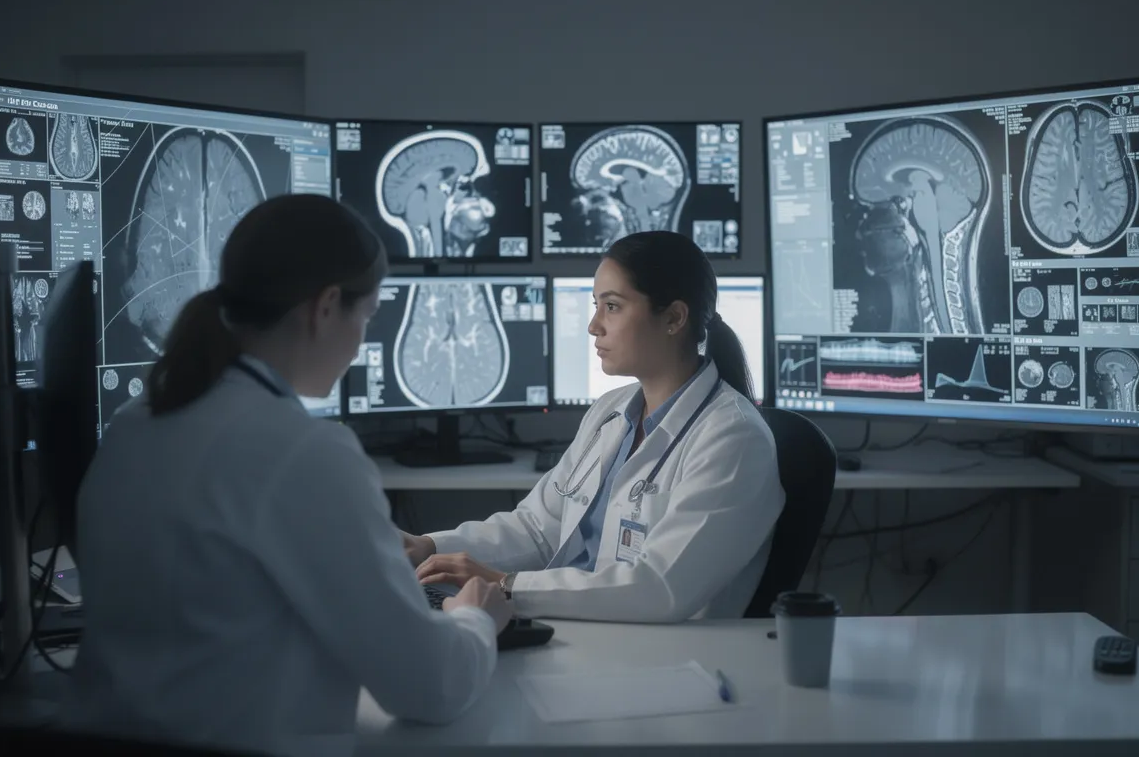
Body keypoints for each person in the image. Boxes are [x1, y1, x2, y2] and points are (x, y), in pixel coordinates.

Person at [64, 195, 512, 754]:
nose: (362, 341)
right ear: (326, 307)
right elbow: (428, 689)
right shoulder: (303, 451)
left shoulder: (139, 420)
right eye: (367, 316)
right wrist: (476, 622)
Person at [403, 231, 785, 623]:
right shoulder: (610, 411)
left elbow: (659, 588)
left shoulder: (733, 438)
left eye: (612, 307)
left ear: (673, 318)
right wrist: (429, 546)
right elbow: (539, 528)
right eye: (595, 306)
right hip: (580, 628)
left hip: (661, 656)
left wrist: (506, 585)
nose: (593, 326)